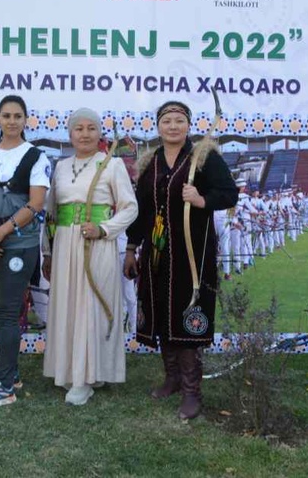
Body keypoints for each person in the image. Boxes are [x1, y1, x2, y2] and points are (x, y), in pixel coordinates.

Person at [124, 100, 237, 420]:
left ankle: (192, 392)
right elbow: (142, 211)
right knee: (161, 314)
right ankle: (172, 378)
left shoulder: (204, 157)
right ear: (158, 126)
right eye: (166, 121)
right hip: (157, 255)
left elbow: (229, 193)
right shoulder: (151, 162)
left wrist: (201, 199)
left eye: (179, 120)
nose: (172, 126)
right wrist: (131, 248)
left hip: (192, 255)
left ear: (188, 125)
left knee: (188, 316)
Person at [41, 108, 137, 405]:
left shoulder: (112, 164)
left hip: (95, 244)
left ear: (99, 133)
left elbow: (130, 208)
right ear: (70, 134)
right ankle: (70, 371)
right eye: (78, 128)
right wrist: (47, 252)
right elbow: (51, 213)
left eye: (91, 128)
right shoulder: (60, 167)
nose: (85, 134)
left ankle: (87, 377)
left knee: (91, 305)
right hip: (64, 246)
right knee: (68, 306)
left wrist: (103, 229)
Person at [0, 95, 50, 409]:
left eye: (17, 116)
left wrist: (1, 232)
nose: (12, 121)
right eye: (6, 115)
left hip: (18, 244)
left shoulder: (35, 157)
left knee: (7, 312)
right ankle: (9, 375)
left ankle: (5, 387)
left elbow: (36, 203)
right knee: (0, 309)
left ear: (26, 120)